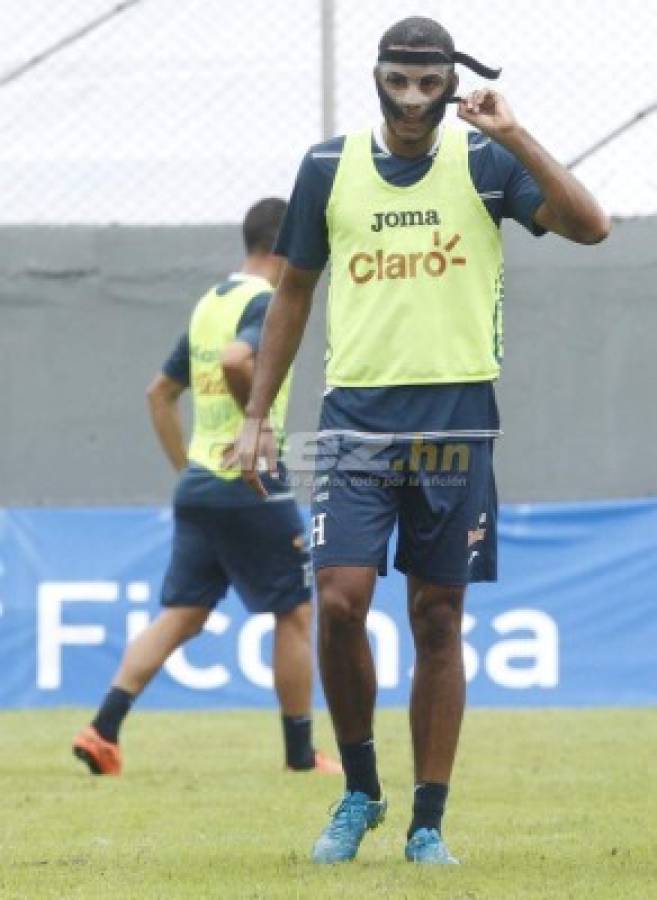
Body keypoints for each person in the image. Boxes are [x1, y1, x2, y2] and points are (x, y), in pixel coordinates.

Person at [228, 18, 610, 865]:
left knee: (437, 619)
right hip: (354, 425)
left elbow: (591, 226)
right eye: (397, 81)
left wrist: (517, 135)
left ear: (450, 82)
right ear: (375, 78)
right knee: (337, 602)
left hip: (459, 423)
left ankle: (427, 821)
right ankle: (359, 791)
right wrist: (258, 415)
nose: (410, 100)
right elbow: (292, 291)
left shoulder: (485, 163)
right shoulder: (327, 166)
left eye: (426, 83)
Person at [72, 197, 340, 778]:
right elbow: (238, 360)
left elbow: (158, 393)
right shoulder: (267, 301)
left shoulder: (211, 302)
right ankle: (300, 756)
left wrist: (186, 467)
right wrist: (258, 424)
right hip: (247, 480)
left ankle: (103, 729)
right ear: (283, 247)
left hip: (199, 483)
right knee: (295, 613)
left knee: (183, 614)